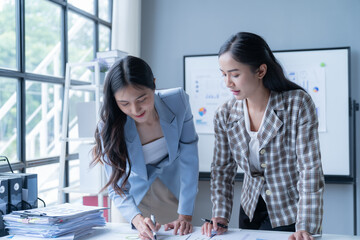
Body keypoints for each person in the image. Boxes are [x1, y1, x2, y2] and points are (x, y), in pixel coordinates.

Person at [201, 32, 324, 240]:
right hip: (250, 212)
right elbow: (222, 170)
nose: (228, 83)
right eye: (223, 74)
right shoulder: (224, 114)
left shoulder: (298, 103)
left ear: (260, 71)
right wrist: (220, 214)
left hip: (291, 215)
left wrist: (306, 226)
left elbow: (310, 170)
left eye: (235, 74)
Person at [92, 55, 199, 240]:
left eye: (142, 99)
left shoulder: (178, 101)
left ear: (154, 84)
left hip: (172, 187)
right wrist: (137, 219)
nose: (135, 110)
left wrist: (185, 214)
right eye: (124, 103)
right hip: (133, 194)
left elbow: (190, 158)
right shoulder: (108, 125)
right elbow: (116, 187)